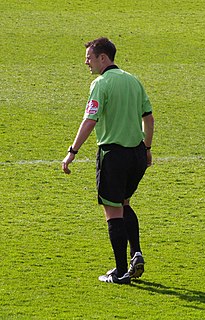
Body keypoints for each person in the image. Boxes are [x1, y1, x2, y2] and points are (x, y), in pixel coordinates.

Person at [62, 37, 154, 284]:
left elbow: (90, 120)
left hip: (113, 155)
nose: (86, 62)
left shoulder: (100, 83)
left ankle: (121, 272)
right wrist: (147, 148)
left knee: (112, 211)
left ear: (103, 58)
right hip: (136, 154)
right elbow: (149, 118)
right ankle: (136, 253)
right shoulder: (134, 80)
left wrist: (72, 152)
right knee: (124, 203)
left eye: (89, 57)